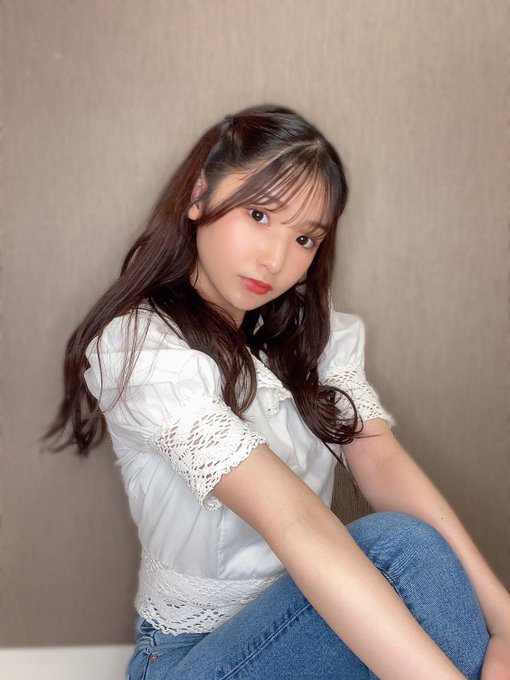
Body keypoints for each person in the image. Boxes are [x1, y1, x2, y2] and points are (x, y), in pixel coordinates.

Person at [44, 104, 509, 679]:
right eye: (259, 214)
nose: (276, 259)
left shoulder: (307, 338)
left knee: (412, 546)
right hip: (192, 658)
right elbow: (294, 520)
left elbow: (381, 460)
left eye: (305, 238)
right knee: (397, 547)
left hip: (310, 631)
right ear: (199, 196)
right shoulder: (141, 347)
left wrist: (505, 623)